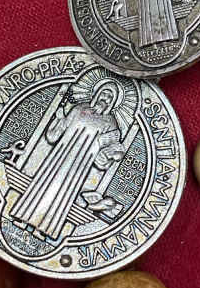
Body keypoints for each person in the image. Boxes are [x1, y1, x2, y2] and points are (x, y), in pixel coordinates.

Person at [10, 80, 125, 240]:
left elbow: (114, 147)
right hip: (58, 157)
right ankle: (23, 217)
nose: (105, 98)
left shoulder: (110, 123)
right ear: (97, 93)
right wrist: (59, 118)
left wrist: (111, 152)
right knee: (43, 184)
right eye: (104, 93)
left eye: (109, 96)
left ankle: (44, 230)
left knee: (63, 195)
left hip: (79, 167)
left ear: (113, 102)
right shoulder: (79, 109)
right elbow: (57, 132)